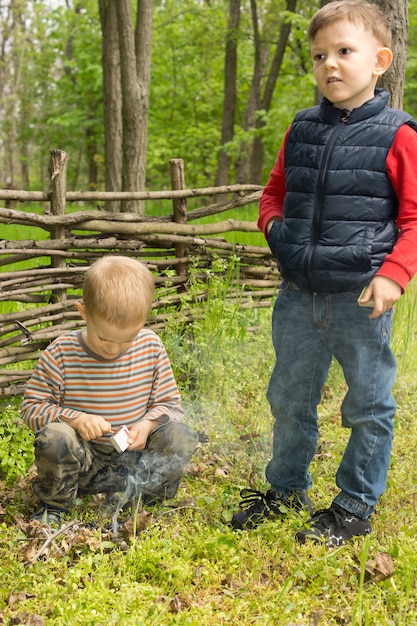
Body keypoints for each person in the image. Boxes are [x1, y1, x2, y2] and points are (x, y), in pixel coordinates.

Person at [231, 0, 417, 547]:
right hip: (297, 295)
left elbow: (414, 218)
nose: (330, 64)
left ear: (380, 60)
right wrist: (275, 232)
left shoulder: (399, 135)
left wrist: (393, 274)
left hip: (360, 300)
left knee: (368, 404)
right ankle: (286, 488)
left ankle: (354, 503)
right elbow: (273, 193)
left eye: (344, 52)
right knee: (289, 398)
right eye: (319, 56)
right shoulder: (302, 128)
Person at [21, 255, 198, 526]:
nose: (113, 349)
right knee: (55, 436)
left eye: (127, 339)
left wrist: (148, 424)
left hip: (135, 463)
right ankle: (55, 504)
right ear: (83, 313)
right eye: (103, 338)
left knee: (179, 435)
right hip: (83, 463)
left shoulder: (150, 346)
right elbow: (32, 409)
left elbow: (171, 406)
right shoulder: (61, 353)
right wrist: (75, 419)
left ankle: (150, 498)